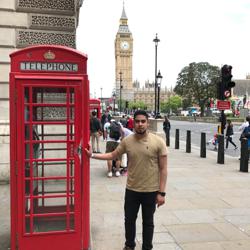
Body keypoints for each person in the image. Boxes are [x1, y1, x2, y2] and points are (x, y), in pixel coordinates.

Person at [85, 110, 168, 250]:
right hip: (132, 189)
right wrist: (92, 155)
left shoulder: (158, 142)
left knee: (148, 222)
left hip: (150, 190)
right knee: (129, 220)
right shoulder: (127, 141)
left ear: (148, 123)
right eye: (137, 121)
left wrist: (162, 193)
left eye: (143, 121)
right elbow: (112, 154)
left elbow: (163, 169)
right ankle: (129, 245)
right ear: (133, 123)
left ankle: (147, 247)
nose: (140, 124)